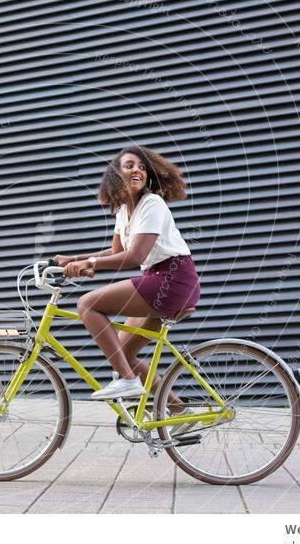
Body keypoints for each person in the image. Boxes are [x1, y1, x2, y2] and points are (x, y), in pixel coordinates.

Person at [54, 145, 201, 422]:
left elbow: (135, 256)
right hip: (156, 279)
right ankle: (180, 411)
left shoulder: (152, 203)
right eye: (129, 166)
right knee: (122, 354)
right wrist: (74, 259)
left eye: (142, 167)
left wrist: (91, 265)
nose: (137, 170)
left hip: (172, 278)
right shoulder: (124, 210)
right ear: (116, 175)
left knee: (88, 304)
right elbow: (114, 251)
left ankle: (129, 381)